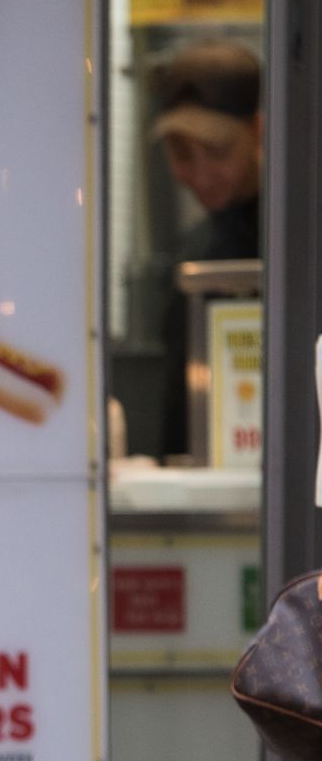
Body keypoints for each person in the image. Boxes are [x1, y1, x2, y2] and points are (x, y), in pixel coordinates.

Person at [150, 40, 262, 457]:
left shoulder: (297, 243)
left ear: (258, 131)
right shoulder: (195, 247)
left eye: (217, 151)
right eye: (181, 154)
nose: (200, 175)